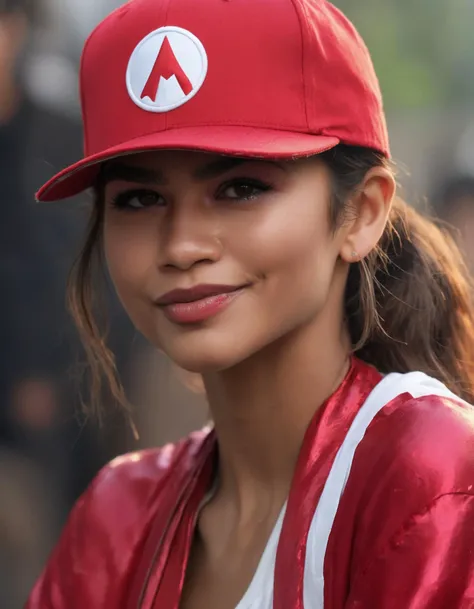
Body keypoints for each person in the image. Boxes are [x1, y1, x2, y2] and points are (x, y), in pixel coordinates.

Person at [26, 0, 474, 607]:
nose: (181, 246)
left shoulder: (434, 475)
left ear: (362, 212)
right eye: (138, 199)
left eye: (241, 188)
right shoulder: (114, 517)